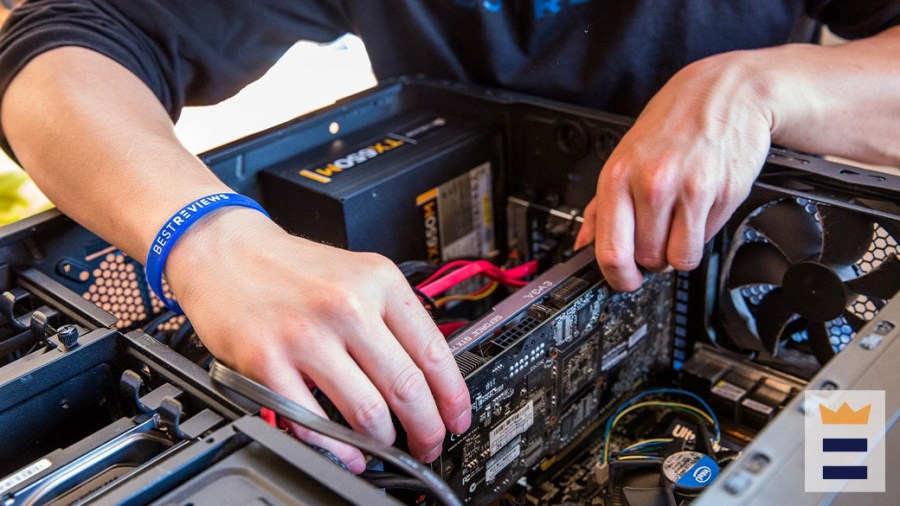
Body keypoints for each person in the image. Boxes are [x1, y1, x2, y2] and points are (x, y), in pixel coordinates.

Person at [0, 0, 897, 472]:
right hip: (464, 222)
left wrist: (768, 85)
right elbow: (63, 42)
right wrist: (208, 236)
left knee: (852, 460)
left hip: (726, 249)